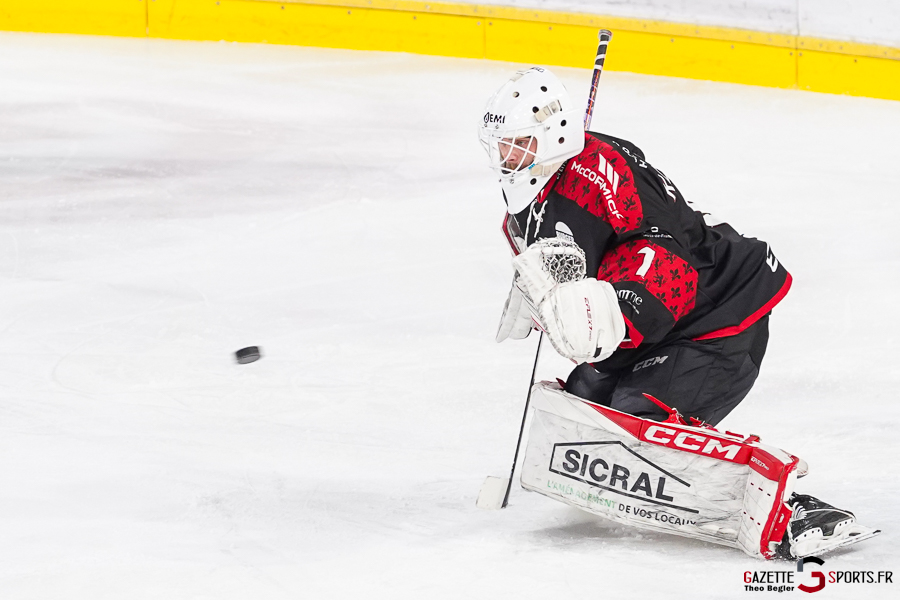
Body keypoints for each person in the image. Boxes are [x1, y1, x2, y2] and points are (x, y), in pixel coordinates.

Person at [479, 66, 877, 559]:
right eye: (501, 145)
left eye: (518, 144)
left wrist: (612, 318)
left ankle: (794, 511)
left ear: (554, 135)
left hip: (717, 317)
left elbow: (670, 273)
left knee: (637, 424)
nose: (506, 157)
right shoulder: (535, 189)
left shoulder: (606, 181)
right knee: (584, 414)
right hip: (666, 324)